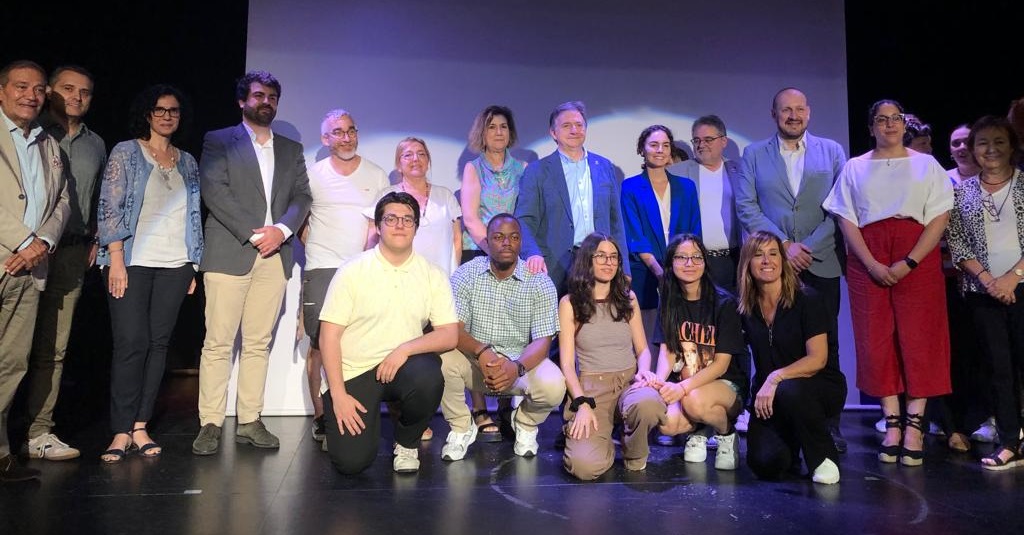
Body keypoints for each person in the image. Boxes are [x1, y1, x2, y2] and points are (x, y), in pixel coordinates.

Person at [823, 99, 952, 467]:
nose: (890, 125)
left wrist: (910, 261)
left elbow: (939, 217)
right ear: (871, 127)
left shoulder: (926, 164)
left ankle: (915, 426)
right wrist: (871, 263)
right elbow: (846, 219)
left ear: (904, 124)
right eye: (882, 119)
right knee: (875, 340)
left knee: (920, 339)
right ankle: (892, 423)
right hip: (869, 255)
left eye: (896, 118)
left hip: (917, 252)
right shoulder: (855, 167)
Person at [193, 71, 311, 456]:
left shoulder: (291, 149)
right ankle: (210, 422)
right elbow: (215, 191)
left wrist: (281, 230)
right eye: (259, 95)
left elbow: (302, 196)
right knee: (218, 342)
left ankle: (249, 420)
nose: (266, 102)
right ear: (242, 101)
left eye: (272, 97)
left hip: (275, 256)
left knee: (258, 343)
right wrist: (257, 234)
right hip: (230, 251)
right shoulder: (219, 140)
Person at [735, 87, 848, 453]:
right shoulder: (754, 154)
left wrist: (807, 247)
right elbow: (747, 206)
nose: (793, 115)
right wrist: (784, 246)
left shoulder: (832, 151)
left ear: (809, 113)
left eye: (800, 109)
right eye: (786, 109)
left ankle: (828, 424)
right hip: (773, 261)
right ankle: (772, 415)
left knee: (826, 346)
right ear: (774, 114)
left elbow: (841, 206)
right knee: (769, 342)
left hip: (820, 260)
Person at [96, 84, 203, 463]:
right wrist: (116, 258)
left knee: (159, 344)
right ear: (147, 114)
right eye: (160, 110)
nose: (167, 116)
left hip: (175, 264)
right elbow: (109, 206)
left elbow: (193, 213)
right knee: (131, 343)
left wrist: (193, 263)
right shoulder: (127, 152)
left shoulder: (187, 161)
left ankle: (140, 425)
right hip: (131, 261)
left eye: (173, 110)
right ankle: (121, 430)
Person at [319, 192, 458, 474]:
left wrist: (404, 349)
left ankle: (407, 443)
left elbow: (449, 334)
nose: (400, 225)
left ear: (416, 227)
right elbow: (328, 337)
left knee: (429, 374)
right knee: (351, 463)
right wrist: (339, 395)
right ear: (379, 226)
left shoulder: (432, 274)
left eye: (408, 219)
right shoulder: (352, 271)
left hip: (401, 367)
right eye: (391, 219)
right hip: (354, 372)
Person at [22, 65, 106, 462]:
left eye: (84, 92)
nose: (76, 97)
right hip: (25, 250)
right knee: (13, 346)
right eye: (68, 89)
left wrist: (96, 238)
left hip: (71, 251)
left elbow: (99, 196)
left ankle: (39, 431)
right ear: (50, 91)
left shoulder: (96, 143)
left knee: (53, 348)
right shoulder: (30, 131)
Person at [439, 214, 564, 460]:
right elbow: (454, 329)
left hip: (519, 365)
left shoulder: (539, 281)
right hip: (476, 363)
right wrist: (482, 351)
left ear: (520, 242)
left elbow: (543, 341)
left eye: (513, 237)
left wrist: (516, 367)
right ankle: (462, 427)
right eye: (498, 237)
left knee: (554, 385)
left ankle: (525, 423)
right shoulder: (467, 274)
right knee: (441, 361)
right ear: (487, 242)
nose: (507, 243)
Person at [299, 109, 388, 444]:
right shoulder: (313, 175)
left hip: (363, 268)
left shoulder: (376, 175)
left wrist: (365, 261)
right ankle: (322, 416)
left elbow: (379, 225)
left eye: (351, 130)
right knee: (320, 343)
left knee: (361, 341)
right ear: (326, 139)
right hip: (322, 267)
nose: (347, 137)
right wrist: (317, 250)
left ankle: (356, 409)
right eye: (338, 132)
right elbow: (299, 221)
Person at [0, 60, 70, 483]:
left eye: (39, 89)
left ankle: (2, 453)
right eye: (21, 86)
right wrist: (24, 241)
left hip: (31, 268)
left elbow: (62, 200)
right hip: (9, 256)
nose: (31, 95)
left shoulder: (48, 143)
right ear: (2, 91)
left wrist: (42, 241)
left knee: (11, 363)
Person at [946, 116, 1024, 470]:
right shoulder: (961, 192)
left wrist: (1012, 278)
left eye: (999, 142)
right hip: (982, 293)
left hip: (1020, 286)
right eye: (982, 143)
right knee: (998, 368)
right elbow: (957, 243)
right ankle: (1009, 442)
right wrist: (990, 282)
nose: (991, 149)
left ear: (1012, 146)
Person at [738, 231, 846, 484]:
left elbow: (818, 359)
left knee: (791, 390)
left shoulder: (807, 299)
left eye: (773, 254)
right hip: (772, 394)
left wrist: (775, 378)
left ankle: (823, 458)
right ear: (747, 263)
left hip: (818, 386)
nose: (767, 261)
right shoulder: (745, 308)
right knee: (765, 463)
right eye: (758, 255)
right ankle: (792, 441)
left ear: (783, 260)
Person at [559, 233, 665, 479]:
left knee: (649, 403)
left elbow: (643, 350)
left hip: (628, 382)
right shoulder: (570, 303)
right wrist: (581, 403)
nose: (608, 262)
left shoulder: (628, 298)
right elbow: (567, 364)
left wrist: (643, 372)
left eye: (614, 257)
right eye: (601, 256)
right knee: (583, 467)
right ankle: (602, 440)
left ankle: (634, 450)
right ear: (587, 259)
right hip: (593, 390)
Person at [457, 105, 527, 439]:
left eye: (503, 126)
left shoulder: (523, 169)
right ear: (482, 133)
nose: (498, 132)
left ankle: (506, 403)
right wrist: (493, 249)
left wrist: (510, 251)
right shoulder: (473, 169)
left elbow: (524, 215)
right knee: (478, 328)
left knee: (512, 325)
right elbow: (471, 217)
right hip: (480, 250)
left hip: (512, 254)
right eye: (491, 127)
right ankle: (479, 407)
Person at [651, 234, 746, 470]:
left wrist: (682, 388)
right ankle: (700, 431)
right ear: (671, 263)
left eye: (696, 257)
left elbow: (721, 365)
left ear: (705, 262)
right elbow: (667, 350)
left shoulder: (724, 303)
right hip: (688, 386)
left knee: (693, 401)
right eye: (682, 257)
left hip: (725, 385)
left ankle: (726, 433)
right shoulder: (669, 301)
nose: (689, 263)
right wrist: (659, 384)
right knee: (665, 422)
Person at [515, 101, 629, 295]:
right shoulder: (537, 171)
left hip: (600, 262)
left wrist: (624, 267)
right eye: (567, 126)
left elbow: (615, 221)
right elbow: (524, 220)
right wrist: (532, 254)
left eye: (579, 125)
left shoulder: (604, 166)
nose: (574, 130)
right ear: (554, 133)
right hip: (554, 264)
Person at [621, 125, 700, 352]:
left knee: (683, 336)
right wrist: (659, 272)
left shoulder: (686, 187)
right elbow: (635, 235)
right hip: (645, 272)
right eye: (654, 145)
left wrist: (681, 267)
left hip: (682, 269)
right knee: (647, 338)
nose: (660, 150)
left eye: (665, 145)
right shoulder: (630, 187)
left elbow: (694, 231)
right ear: (642, 149)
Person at [670, 115, 743, 292]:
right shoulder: (676, 172)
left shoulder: (740, 171)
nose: (701, 145)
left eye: (708, 139)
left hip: (734, 259)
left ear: (723, 141)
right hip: (695, 261)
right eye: (696, 140)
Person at [375, 137, 461, 276]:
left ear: (428, 162)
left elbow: (457, 239)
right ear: (398, 164)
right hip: (396, 276)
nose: (416, 159)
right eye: (408, 155)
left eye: (421, 154)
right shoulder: (386, 195)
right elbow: (373, 237)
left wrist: (454, 274)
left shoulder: (445, 196)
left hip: (440, 277)